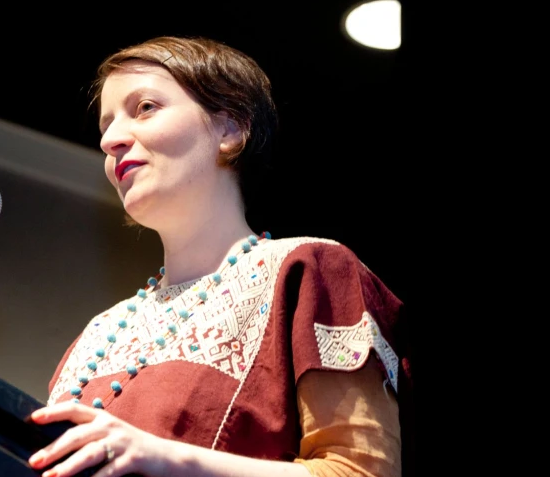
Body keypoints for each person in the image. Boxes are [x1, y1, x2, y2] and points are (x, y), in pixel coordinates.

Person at [26, 36, 414, 477]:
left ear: (230, 129)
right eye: (105, 127)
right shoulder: (98, 333)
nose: (111, 140)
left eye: (145, 107)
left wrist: (167, 458)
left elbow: (361, 472)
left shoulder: (307, 269)